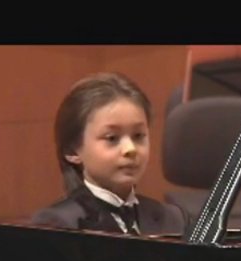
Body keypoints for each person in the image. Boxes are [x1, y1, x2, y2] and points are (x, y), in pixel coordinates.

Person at [31, 72, 188, 236]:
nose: (130, 149)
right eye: (112, 138)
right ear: (72, 151)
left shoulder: (174, 218)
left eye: (138, 136)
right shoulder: (58, 222)